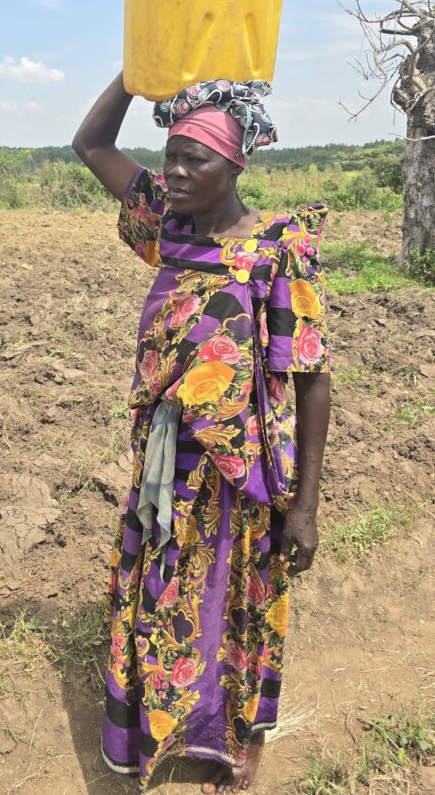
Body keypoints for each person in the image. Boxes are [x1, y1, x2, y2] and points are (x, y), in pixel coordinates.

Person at [72, 74, 331, 794]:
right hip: (166, 465)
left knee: (238, 600)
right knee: (161, 599)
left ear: (237, 164)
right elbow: (90, 143)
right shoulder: (166, 226)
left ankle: (239, 741)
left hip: (243, 470)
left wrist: (305, 506)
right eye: (171, 156)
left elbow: (311, 379)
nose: (177, 173)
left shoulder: (277, 250)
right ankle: (161, 731)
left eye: (197, 160)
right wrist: (137, 71)